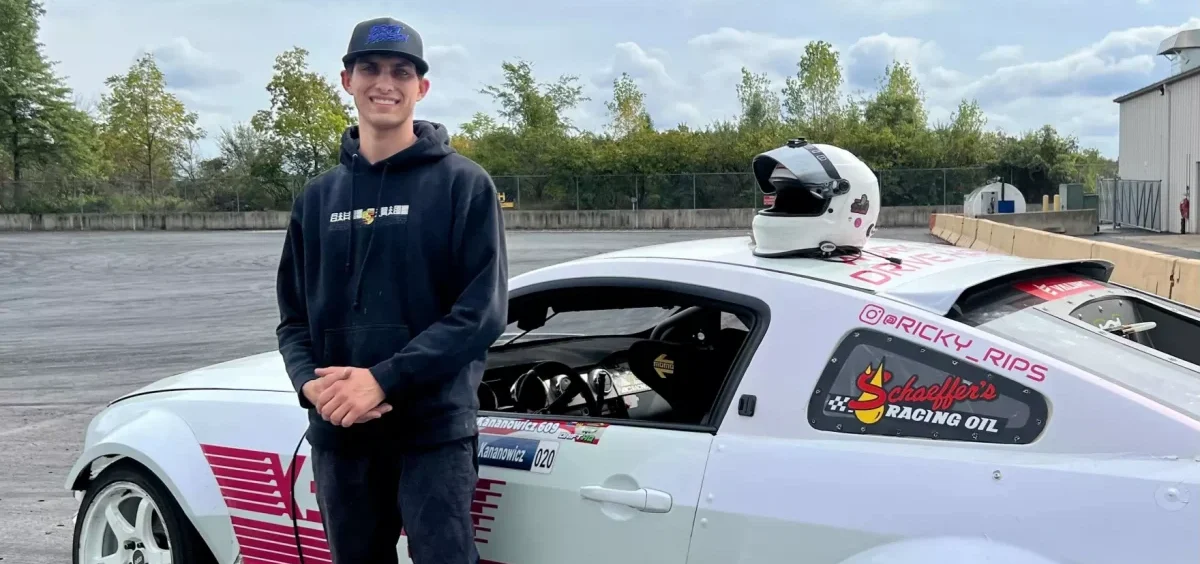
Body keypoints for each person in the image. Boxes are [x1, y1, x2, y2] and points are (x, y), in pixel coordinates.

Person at [274, 16, 508, 564]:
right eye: (370, 69)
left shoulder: (463, 184)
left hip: (433, 431)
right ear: (347, 80)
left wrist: (382, 380)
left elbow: (482, 313)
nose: (386, 82)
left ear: (421, 87)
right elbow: (292, 321)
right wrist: (312, 386)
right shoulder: (316, 199)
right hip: (342, 431)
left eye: (401, 71)